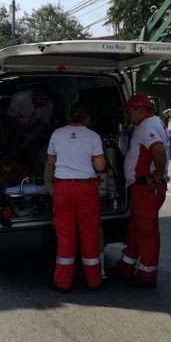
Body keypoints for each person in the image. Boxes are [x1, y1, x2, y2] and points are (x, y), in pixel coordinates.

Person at [45, 102, 106, 292]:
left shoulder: (57, 134)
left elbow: (50, 161)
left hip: (63, 188)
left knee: (65, 235)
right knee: (89, 234)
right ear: (87, 118)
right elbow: (100, 166)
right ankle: (94, 281)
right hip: (86, 189)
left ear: (70, 117)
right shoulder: (93, 136)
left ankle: (63, 282)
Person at [116, 93, 168, 287]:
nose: (128, 116)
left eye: (129, 112)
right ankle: (127, 264)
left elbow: (157, 149)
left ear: (140, 110)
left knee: (146, 230)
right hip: (140, 186)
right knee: (136, 227)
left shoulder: (148, 126)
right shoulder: (148, 124)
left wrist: (157, 174)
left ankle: (148, 273)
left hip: (147, 187)